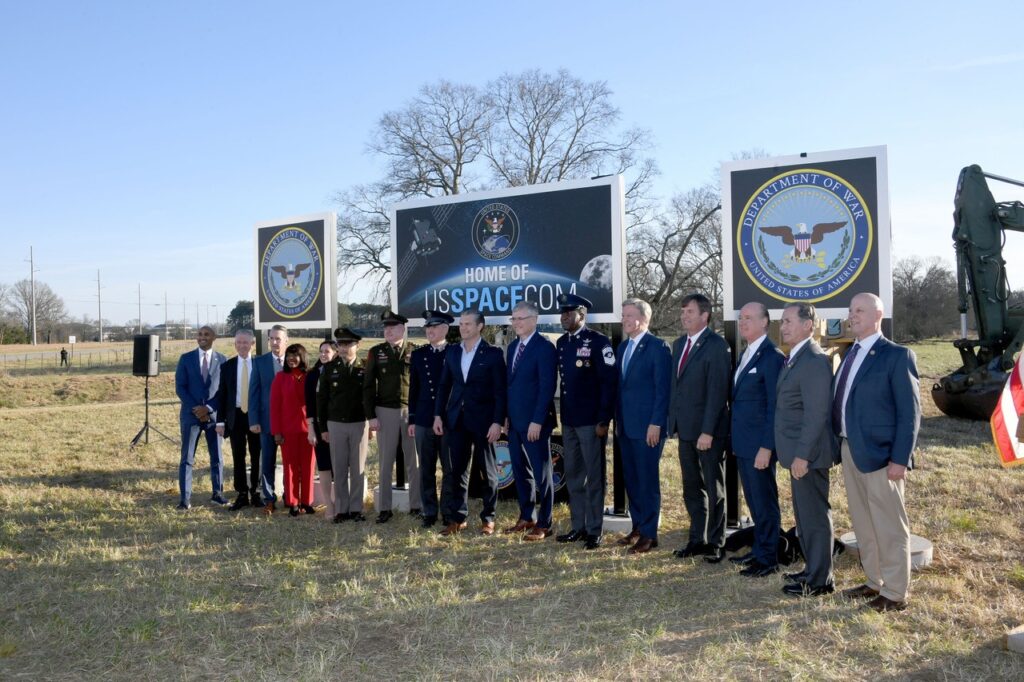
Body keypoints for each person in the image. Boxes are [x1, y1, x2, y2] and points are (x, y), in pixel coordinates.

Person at [835, 293, 921, 612]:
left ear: (878, 315)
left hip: (882, 456)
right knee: (863, 521)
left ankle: (896, 592)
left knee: (889, 524)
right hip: (850, 448)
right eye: (851, 310)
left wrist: (900, 458)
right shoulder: (850, 352)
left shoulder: (897, 356)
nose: (852, 315)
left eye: (859, 310)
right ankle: (873, 581)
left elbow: (909, 413)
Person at [775, 302, 839, 597]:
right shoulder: (796, 358)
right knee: (804, 516)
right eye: (782, 321)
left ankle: (820, 581)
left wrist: (802, 455)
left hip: (808, 456)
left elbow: (816, 414)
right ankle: (812, 569)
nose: (783, 326)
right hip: (798, 454)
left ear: (808, 326)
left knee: (814, 516)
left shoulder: (813, 361)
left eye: (789, 321)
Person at [667, 293, 732, 563]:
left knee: (713, 489)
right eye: (682, 311)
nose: (684, 316)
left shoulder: (717, 346)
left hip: (708, 433)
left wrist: (707, 431)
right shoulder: (679, 343)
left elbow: (717, 393)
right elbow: (677, 388)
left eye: (690, 312)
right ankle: (697, 539)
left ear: (705, 315)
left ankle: (716, 543)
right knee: (691, 488)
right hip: (686, 431)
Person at [433, 309, 507, 537]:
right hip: (456, 420)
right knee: (457, 471)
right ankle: (458, 517)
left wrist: (497, 422)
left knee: (488, 472)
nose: (462, 327)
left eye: (467, 324)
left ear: (479, 326)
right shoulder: (453, 352)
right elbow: (444, 386)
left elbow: (500, 392)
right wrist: (438, 415)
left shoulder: (493, 354)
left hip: (484, 422)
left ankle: (489, 518)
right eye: (461, 324)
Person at [554, 293, 616, 550]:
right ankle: (578, 526)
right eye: (562, 313)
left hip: (592, 422)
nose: (564, 317)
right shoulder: (561, 344)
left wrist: (604, 419)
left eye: (569, 313)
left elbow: (609, 383)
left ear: (582, 315)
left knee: (594, 477)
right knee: (575, 476)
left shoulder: (599, 342)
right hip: (568, 420)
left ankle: (594, 530)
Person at [730, 302, 784, 577]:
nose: (743, 322)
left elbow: (775, 406)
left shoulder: (771, 356)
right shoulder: (746, 354)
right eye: (741, 318)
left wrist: (767, 446)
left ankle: (768, 559)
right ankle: (760, 549)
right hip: (743, 443)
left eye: (749, 318)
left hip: (759, 446)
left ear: (765, 322)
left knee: (764, 502)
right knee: (754, 501)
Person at [614, 298, 671, 554]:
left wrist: (656, 423)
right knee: (632, 479)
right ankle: (637, 527)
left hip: (648, 428)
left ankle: (649, 534)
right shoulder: (623, 348)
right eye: (623, 315)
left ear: (643, 318)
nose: (624, 319)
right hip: (626, 427)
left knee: (647, 481)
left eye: (629, 315)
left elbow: (663, 390)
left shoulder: (658, 347)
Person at [504, 301, 558, 541]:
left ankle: (545, 523)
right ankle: (527, 516)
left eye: (520, 319)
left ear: (534, 320)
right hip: (514, 422)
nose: (516, 323)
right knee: (519, 470)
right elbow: (510, 386)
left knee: (542, 473)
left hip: (535, 423)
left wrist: (537, 421)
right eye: (513, 319)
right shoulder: (513, 346)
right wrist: (506, 416)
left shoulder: (544, 347)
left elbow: (547, 388)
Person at [363, 311, 420, 523]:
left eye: (393, 327)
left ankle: (416, 506)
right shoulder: (376, 352)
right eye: (386, 327)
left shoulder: (415, 351)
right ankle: (385, 509)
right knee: (385, 462)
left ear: (402, 329)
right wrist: (371, 416)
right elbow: (368, 387)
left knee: (413, 462)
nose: (388, 331)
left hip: (409, 412)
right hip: (384, 412)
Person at [407, 310, 455, 528]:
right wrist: (412, 420)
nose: (430, 331)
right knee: (426, 468)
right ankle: (429, 511)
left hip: (448, 420)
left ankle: (447, 511)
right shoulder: (419, 355)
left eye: (434, 327)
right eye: (427, 327)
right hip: (424, 419)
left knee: (449, 468)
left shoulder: (455, 352)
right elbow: (414, 390)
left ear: (445, 329)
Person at [318, 328, 369, 523]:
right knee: (338, 469)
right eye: (341, 344)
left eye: (348, 344)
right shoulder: (329, 369)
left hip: (358, 423)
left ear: (358, 345)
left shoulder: (365, 368)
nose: (344, 348)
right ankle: (341, 509)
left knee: (357, 468)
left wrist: (370, 421)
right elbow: (321, 400)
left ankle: (356, 509)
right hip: (336, 424)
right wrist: (323, 428)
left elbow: (370, 396)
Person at [174, 325, 227, 509]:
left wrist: (209, 408)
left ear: (214, 337)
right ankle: (185, 498)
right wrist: (197, 409)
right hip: (191, 416)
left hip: (213, 417)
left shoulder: (222, 360)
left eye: (206, 334)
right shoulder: (186, 359)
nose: (202, 337)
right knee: (187, 458)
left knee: (217, 457)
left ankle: (218, 494)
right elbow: (180, 387)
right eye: (199, 334)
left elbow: (223, 391)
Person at [215, 330, 262, 511]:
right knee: (238, 455)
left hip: (255, 415)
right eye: (239, 342)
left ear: (252, 344)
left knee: (257, 455)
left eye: (245, 342)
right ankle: (242, 493)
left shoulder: (259, 364)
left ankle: (256, 492)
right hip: (235, 417)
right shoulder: (227, 366)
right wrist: (220, 421)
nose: (242, 345)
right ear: (235, 344)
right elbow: (222, 395)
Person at [271, 343, 315, 517]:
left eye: (295, 355)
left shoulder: (310, 376)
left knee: (308, 466)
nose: (291, 358)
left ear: (302, 357)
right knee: (290, 467)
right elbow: (274, 407)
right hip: (287, 431)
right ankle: (293, 503)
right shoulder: (280, 377)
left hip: (308, 430)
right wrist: (277, 432)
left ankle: (307, 501)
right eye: (288, 355)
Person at [249, 324, 289, 515]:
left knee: (290, 461)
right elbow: (254, 393)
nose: (274, 342)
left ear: (286, 341)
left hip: (289, 423)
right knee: (267, 462)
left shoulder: (293, 361)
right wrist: (254, 420)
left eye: (278, 339)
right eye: (271, 338)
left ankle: (291, 498)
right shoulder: (260, 362)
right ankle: (269, 499)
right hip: (266, 422)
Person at [306, 340, 337, 520]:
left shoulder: (340, 372)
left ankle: (340, 501)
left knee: (339, 466)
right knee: (324, 466)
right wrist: (311, 429)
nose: (324, 354)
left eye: (327, 351)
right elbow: (309, 405)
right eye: (321, 351)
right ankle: (329, 504)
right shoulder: (312, 376)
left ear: (335, 353)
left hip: (339, 425)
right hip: (319, 426)